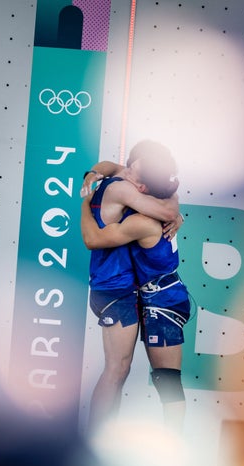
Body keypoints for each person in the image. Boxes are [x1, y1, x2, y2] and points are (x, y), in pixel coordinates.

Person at [79, 140, 184, 433]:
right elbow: (92, 239)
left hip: (146, 295)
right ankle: (96, 442)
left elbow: (165, 204)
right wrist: (85, 201)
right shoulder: (125, 187)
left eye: (137, 170)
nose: (129, 170)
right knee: (118, 370)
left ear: (145, 185)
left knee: (146, 376)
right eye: (133, 165)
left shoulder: (135, 199)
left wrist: (175, 213)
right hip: (116, 289)